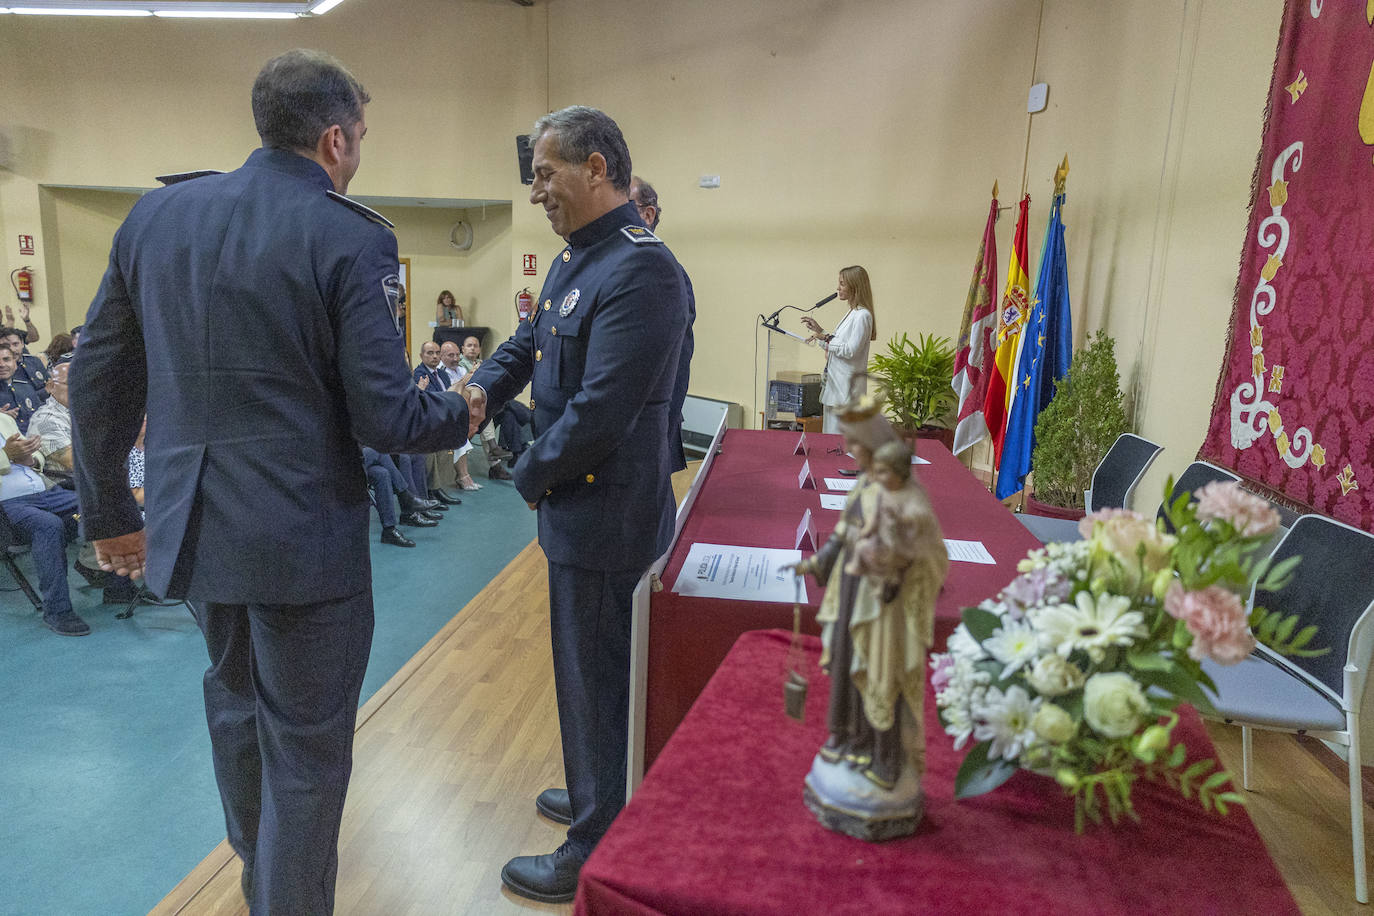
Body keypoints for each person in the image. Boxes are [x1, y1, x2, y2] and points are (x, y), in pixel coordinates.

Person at [69, 49, 472, 914]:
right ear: (335, 138)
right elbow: (386, 419)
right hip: (301, 543)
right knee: (307, 753)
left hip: (197, 528)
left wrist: (109, 510)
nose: (360, 150)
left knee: (236, 715)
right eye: (360, 135)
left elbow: (100, 371)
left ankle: (261, 883)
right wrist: (465, 413)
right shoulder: (350, 233)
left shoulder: (157, 216)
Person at [467, 105, 689, 903]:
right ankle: (598, 785)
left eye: (545, 174)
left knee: (595, 677)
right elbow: (527, 346)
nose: (536, 193)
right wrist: (477, 395)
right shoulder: (577, 260)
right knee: (585, 673)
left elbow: (602, 410)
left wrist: (524, 474)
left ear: (597, 168)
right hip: (581, 511)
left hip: (608, 515)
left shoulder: (643, 269)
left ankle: (594, 844)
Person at [794, 397, 946, 797]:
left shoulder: (908, 497)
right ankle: (848, 741)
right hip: (851, 593)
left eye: (856, 445)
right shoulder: (865, 483)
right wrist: (820, 562)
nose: (850, 451)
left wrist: (900, 566)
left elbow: (931, 554)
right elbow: (845, 531)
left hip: (884, 604)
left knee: (881, 672)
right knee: (848, 663)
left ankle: (885, 758)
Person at [630, 176, 695, 472]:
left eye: (624, 205)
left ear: (648, 214)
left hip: (644, 432)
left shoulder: (664, 274)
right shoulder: (616, 269)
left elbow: (674, 361)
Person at [801, 265, 877, 434]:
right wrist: (820, 332)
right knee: (830, 441)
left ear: (854, 286)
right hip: (835, 389)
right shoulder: (852, 313)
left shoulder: (863, 315)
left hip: (847, 392)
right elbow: (837, 344)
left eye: (842, 284)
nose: (838, 288)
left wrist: (826, 338)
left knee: (840, 445)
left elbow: (850, 350)